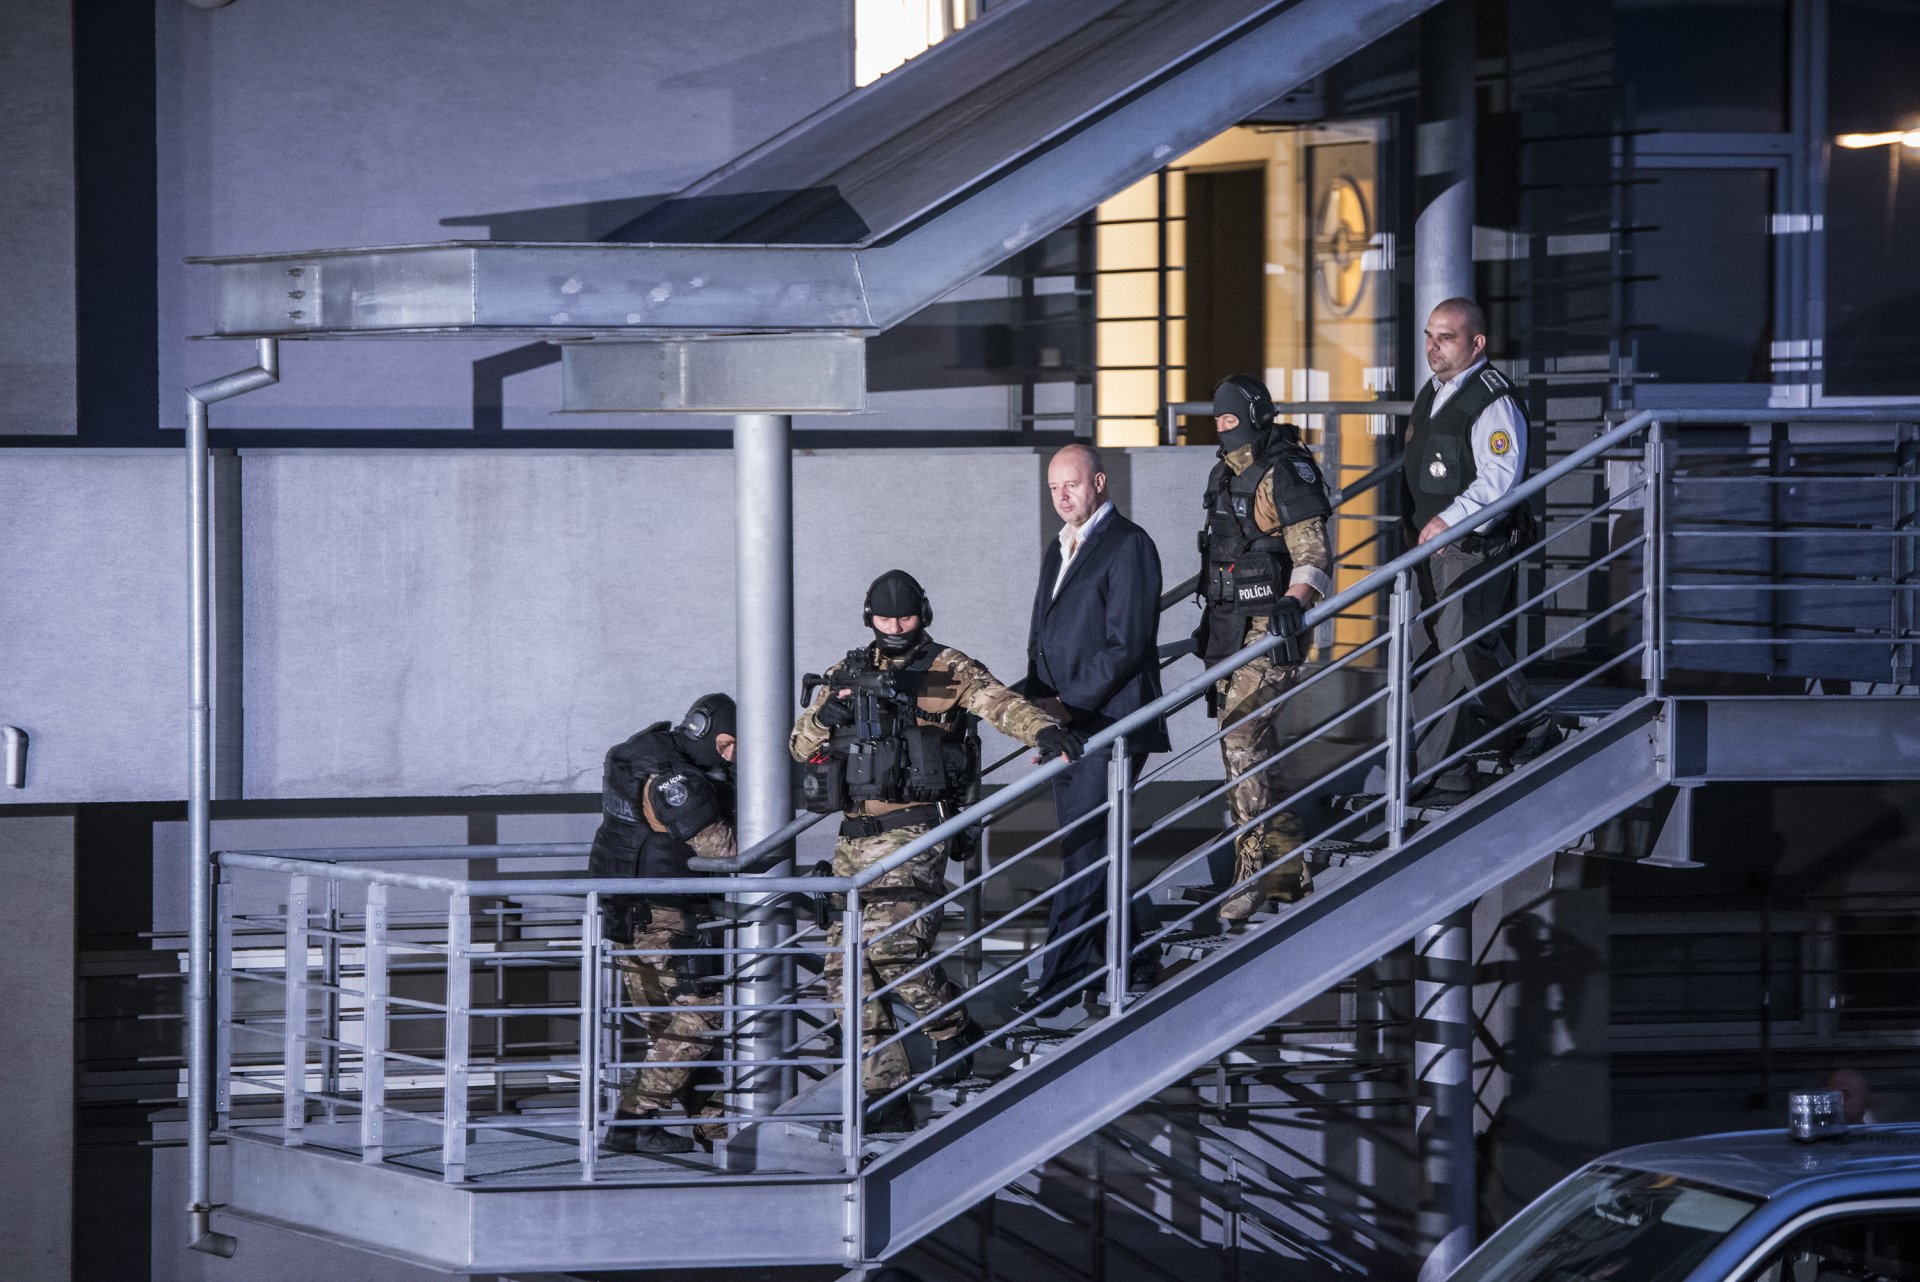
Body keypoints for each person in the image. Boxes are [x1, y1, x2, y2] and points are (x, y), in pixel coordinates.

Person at [792, 570, 1078, 1129]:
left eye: (905, 617)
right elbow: (799, 746)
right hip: (853, 836)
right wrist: (826, 717)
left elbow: (1001, 704)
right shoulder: (846, 671)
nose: (895, 627)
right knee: (846, 971)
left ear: (922, 615)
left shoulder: (949, 666)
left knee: (894, 949)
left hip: (917, 828)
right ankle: (886, 1096)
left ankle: (953, 1028)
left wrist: (1044, 731)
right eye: (885, 617)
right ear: (868, 617)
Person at [1020, 443, 1169, 1008]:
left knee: (1083, 852)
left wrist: (1069, 707)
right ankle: (1140, 957)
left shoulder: (1129, 545)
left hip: (1110, 724)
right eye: (1053, 488)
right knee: (1094, 848)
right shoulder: (1059, 546)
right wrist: (1038, 715)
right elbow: (1040, 638)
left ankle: (1058, 987)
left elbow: (1126, 644)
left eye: (1072, 484)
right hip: (1069, 725)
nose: (1061, 497)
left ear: (1099, 483)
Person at [1194, 375, 1333, 926]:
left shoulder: (1285, 470)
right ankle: (1290, 869)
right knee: (1254, 747)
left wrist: (1295, 602)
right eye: (1218, 421)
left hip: (1272, 632)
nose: (1223, 428)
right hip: (1229, 629)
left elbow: (1313, 553)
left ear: (1255, 416)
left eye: (1232, 419)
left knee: (1241, 735)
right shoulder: (1224, 473)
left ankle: (1252, 871)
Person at [1401, 297, 1549, 794]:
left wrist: (1448, 520)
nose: (1433, 347)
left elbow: (1500, 480)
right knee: (1429, 657)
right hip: (1429, 551)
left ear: (1477, 342)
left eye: (1446, 337)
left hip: (1473, 546)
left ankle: (1530, 725)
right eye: (1429, 336)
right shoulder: (1434, 391)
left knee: (1465, 645)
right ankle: (1443, 771)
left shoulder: (1492, 398)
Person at [588, 693, 738, 1156]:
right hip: (663, 919)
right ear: (708, 735)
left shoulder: (644, 756)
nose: (732, 756)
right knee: (703, 1018)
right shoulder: (676, 779)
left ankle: (713, 1130)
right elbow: (723, 851)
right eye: (729, 745)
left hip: (629, 915)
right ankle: (632, 1121)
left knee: (670, 1032)